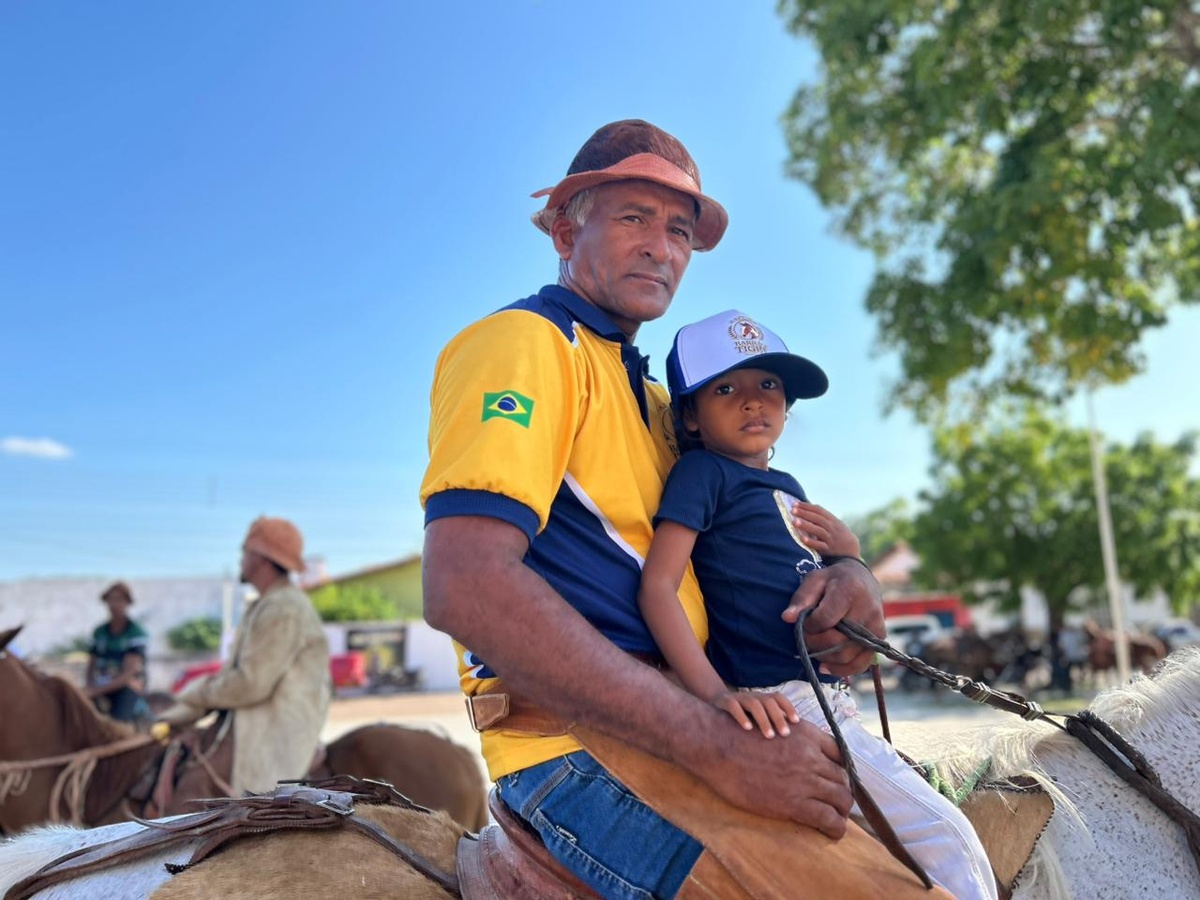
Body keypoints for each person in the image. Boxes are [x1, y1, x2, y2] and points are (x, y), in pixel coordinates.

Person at [420, 120, 940, 899]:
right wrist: (712, 744)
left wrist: (848, 580)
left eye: (679, 231)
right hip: (576, 747)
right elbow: (464, 582)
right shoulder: (525, 344)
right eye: (633, 217)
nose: (661, 248)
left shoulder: (665, 403)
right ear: (566, 228)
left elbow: (744, 555)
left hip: (693, 712)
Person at [638, 309, 997, 900]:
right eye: (725, 388)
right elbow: (657, 588)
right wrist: (713, 695)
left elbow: (818, 575)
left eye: (768, 386)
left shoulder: (788, 489)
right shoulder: (703, 474)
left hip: (832, 697)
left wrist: (851, 557)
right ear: (691, 418)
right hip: (786, 699)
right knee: (947, 837)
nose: (752, 402)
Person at [157, 516, 332, 794]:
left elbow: (250, 685)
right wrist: (183, 711)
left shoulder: (283, 607)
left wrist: (194, 695)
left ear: (261, 558)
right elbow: (233, 677)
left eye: (245, 552)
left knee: (190, 795)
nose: (240, 560)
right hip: (253, 715)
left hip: (273, 726)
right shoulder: (267, 604)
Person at [86, 581, 150, 723]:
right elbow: (91, 665)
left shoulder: (135, 632)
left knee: (119, 723)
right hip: (100, 684)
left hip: (127, 686)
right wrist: (89, 686)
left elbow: (129, 673)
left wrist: (97, 690)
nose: (114, 604)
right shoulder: (99, 632)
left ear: (127, 603)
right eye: (111, 600)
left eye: (119, 600)